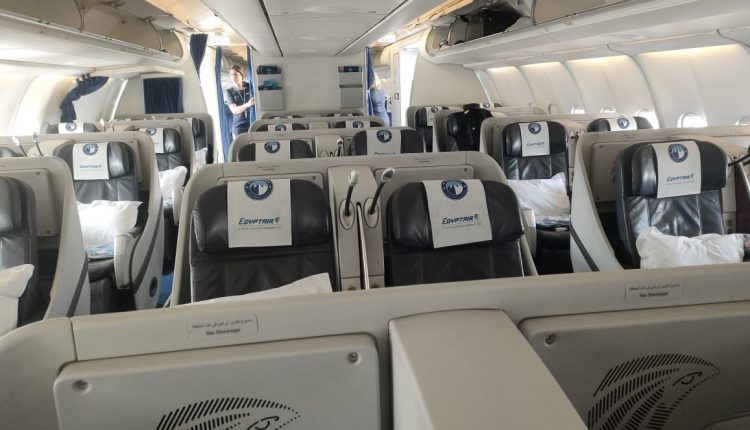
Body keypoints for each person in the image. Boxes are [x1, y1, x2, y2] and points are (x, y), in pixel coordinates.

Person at [224, 65, 255, 139]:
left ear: (241, 75)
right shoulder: (229, 92)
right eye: (231, 74)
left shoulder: (250, 87)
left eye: (235, 74)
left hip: (253, 123)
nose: (233, 77)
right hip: (239, 126)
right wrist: (248, 104)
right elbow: (234, 110)